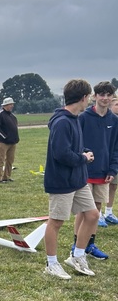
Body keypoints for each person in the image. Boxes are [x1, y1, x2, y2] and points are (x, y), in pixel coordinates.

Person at [43, 78, 99, 279]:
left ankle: (77, 256)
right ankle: (51, 263)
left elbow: (72, 148)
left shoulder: (75, 119)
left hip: (78, 179)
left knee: (92, 215)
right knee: (56, 222)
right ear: (83, 98)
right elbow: (61, 154)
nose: (90, 102)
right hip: (61, 181)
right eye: (89, 98)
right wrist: (82, 158)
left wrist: (84, 152)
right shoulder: (62, 122)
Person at [72, 81, 118, 259]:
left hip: (104, 172)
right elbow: (77, 143)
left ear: (112, 97)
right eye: (101, 94)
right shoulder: (83, 118)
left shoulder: (114, 121)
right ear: (94, 96)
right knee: (84, 211)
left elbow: (115, 147)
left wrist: (113, 169)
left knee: (96, 210)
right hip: (85, 170)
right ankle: (76, 245)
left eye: (108, 95)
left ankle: (90, 245)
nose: (105, 98)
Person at [0, 96, 19, 183]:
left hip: (12, 142)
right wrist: (5, 137)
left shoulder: (12, 116)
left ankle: (6, 176)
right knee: (0, 160)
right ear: (5, 105)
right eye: (10, 104)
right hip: (2, 142)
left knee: (10, 160)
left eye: (12, 104)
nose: (12, 106)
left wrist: (15, 138)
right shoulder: (0, 114)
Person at [103, 95, 118, 224]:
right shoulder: (107, 120)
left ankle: (108, 211)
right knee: (101, 186)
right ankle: (98, 214)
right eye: (117, 104)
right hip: (105, 158)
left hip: (115, 159)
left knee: (113, 186)